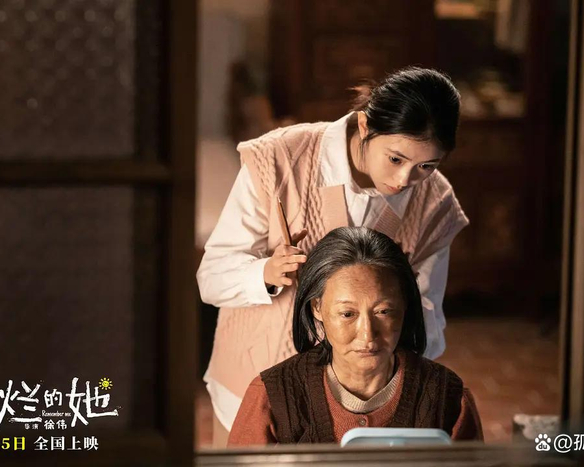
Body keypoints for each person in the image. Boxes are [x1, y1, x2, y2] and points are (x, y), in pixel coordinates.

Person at [197, 67, 469, 445]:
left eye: (426, 166)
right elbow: (210, 277)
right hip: (255, 382)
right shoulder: (279, 159)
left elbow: (428, 318)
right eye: (395, 159)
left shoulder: (433, 201)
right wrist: (266, 273)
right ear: (365, 124)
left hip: (367, 402)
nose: (405, 180)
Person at [228, 227, 483, 445]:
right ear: (317, 308)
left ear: (405, 305)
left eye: (383, 311)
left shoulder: (448, 397)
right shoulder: (271, 396)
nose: (367, 334)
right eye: (347, 314)